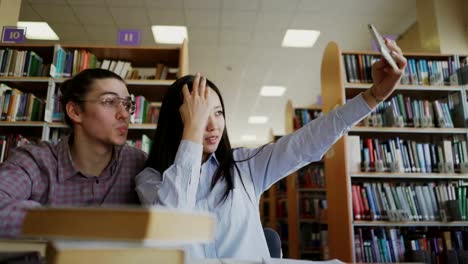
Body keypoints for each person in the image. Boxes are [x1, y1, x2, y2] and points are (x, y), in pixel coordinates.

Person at [135, 40, 407, 259]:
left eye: (218, 113)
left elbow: (306, 143)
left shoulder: (243, 166)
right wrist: (192, 133)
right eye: (201, 115)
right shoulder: (150, 180)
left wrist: (374, 96)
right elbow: (172, 224)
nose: (212, 125)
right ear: (178, 120)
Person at [0, 68, 147, 237]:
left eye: (127, 104)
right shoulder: (33, 161)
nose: (124, 115)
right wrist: (69, 224)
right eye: (108, 102)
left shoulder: (138, 163)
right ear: (75, 112)